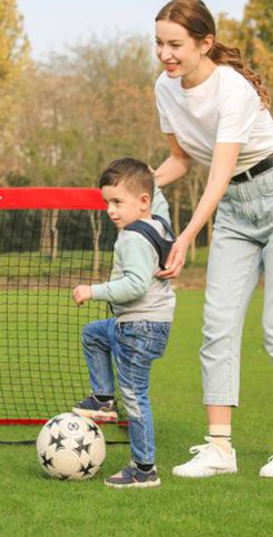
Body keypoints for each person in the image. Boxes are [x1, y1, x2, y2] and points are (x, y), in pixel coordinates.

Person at [153, 0, 273, 480]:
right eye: (159, 44)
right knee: (217, 324)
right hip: (235, 209)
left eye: (175, 44)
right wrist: (140, 183)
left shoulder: (232, 89)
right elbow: (183, 159)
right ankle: (219, 448)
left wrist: (186, 236)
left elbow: (218, 174)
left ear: (205, 43)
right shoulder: (164, 90)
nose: (165, 54)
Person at [72, 158, 175, 489]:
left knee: (134, 396)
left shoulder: (131, 237)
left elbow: (135, 285)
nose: (111, 211)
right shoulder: (158, 222)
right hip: (144, 325)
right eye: (107, 203)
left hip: (138, 328)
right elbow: (158, 197)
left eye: (118, 202)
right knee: (94, 334)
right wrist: (147, 174)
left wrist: (93, 290)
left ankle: (144, 468)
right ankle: (103, 398)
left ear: (142, 202)